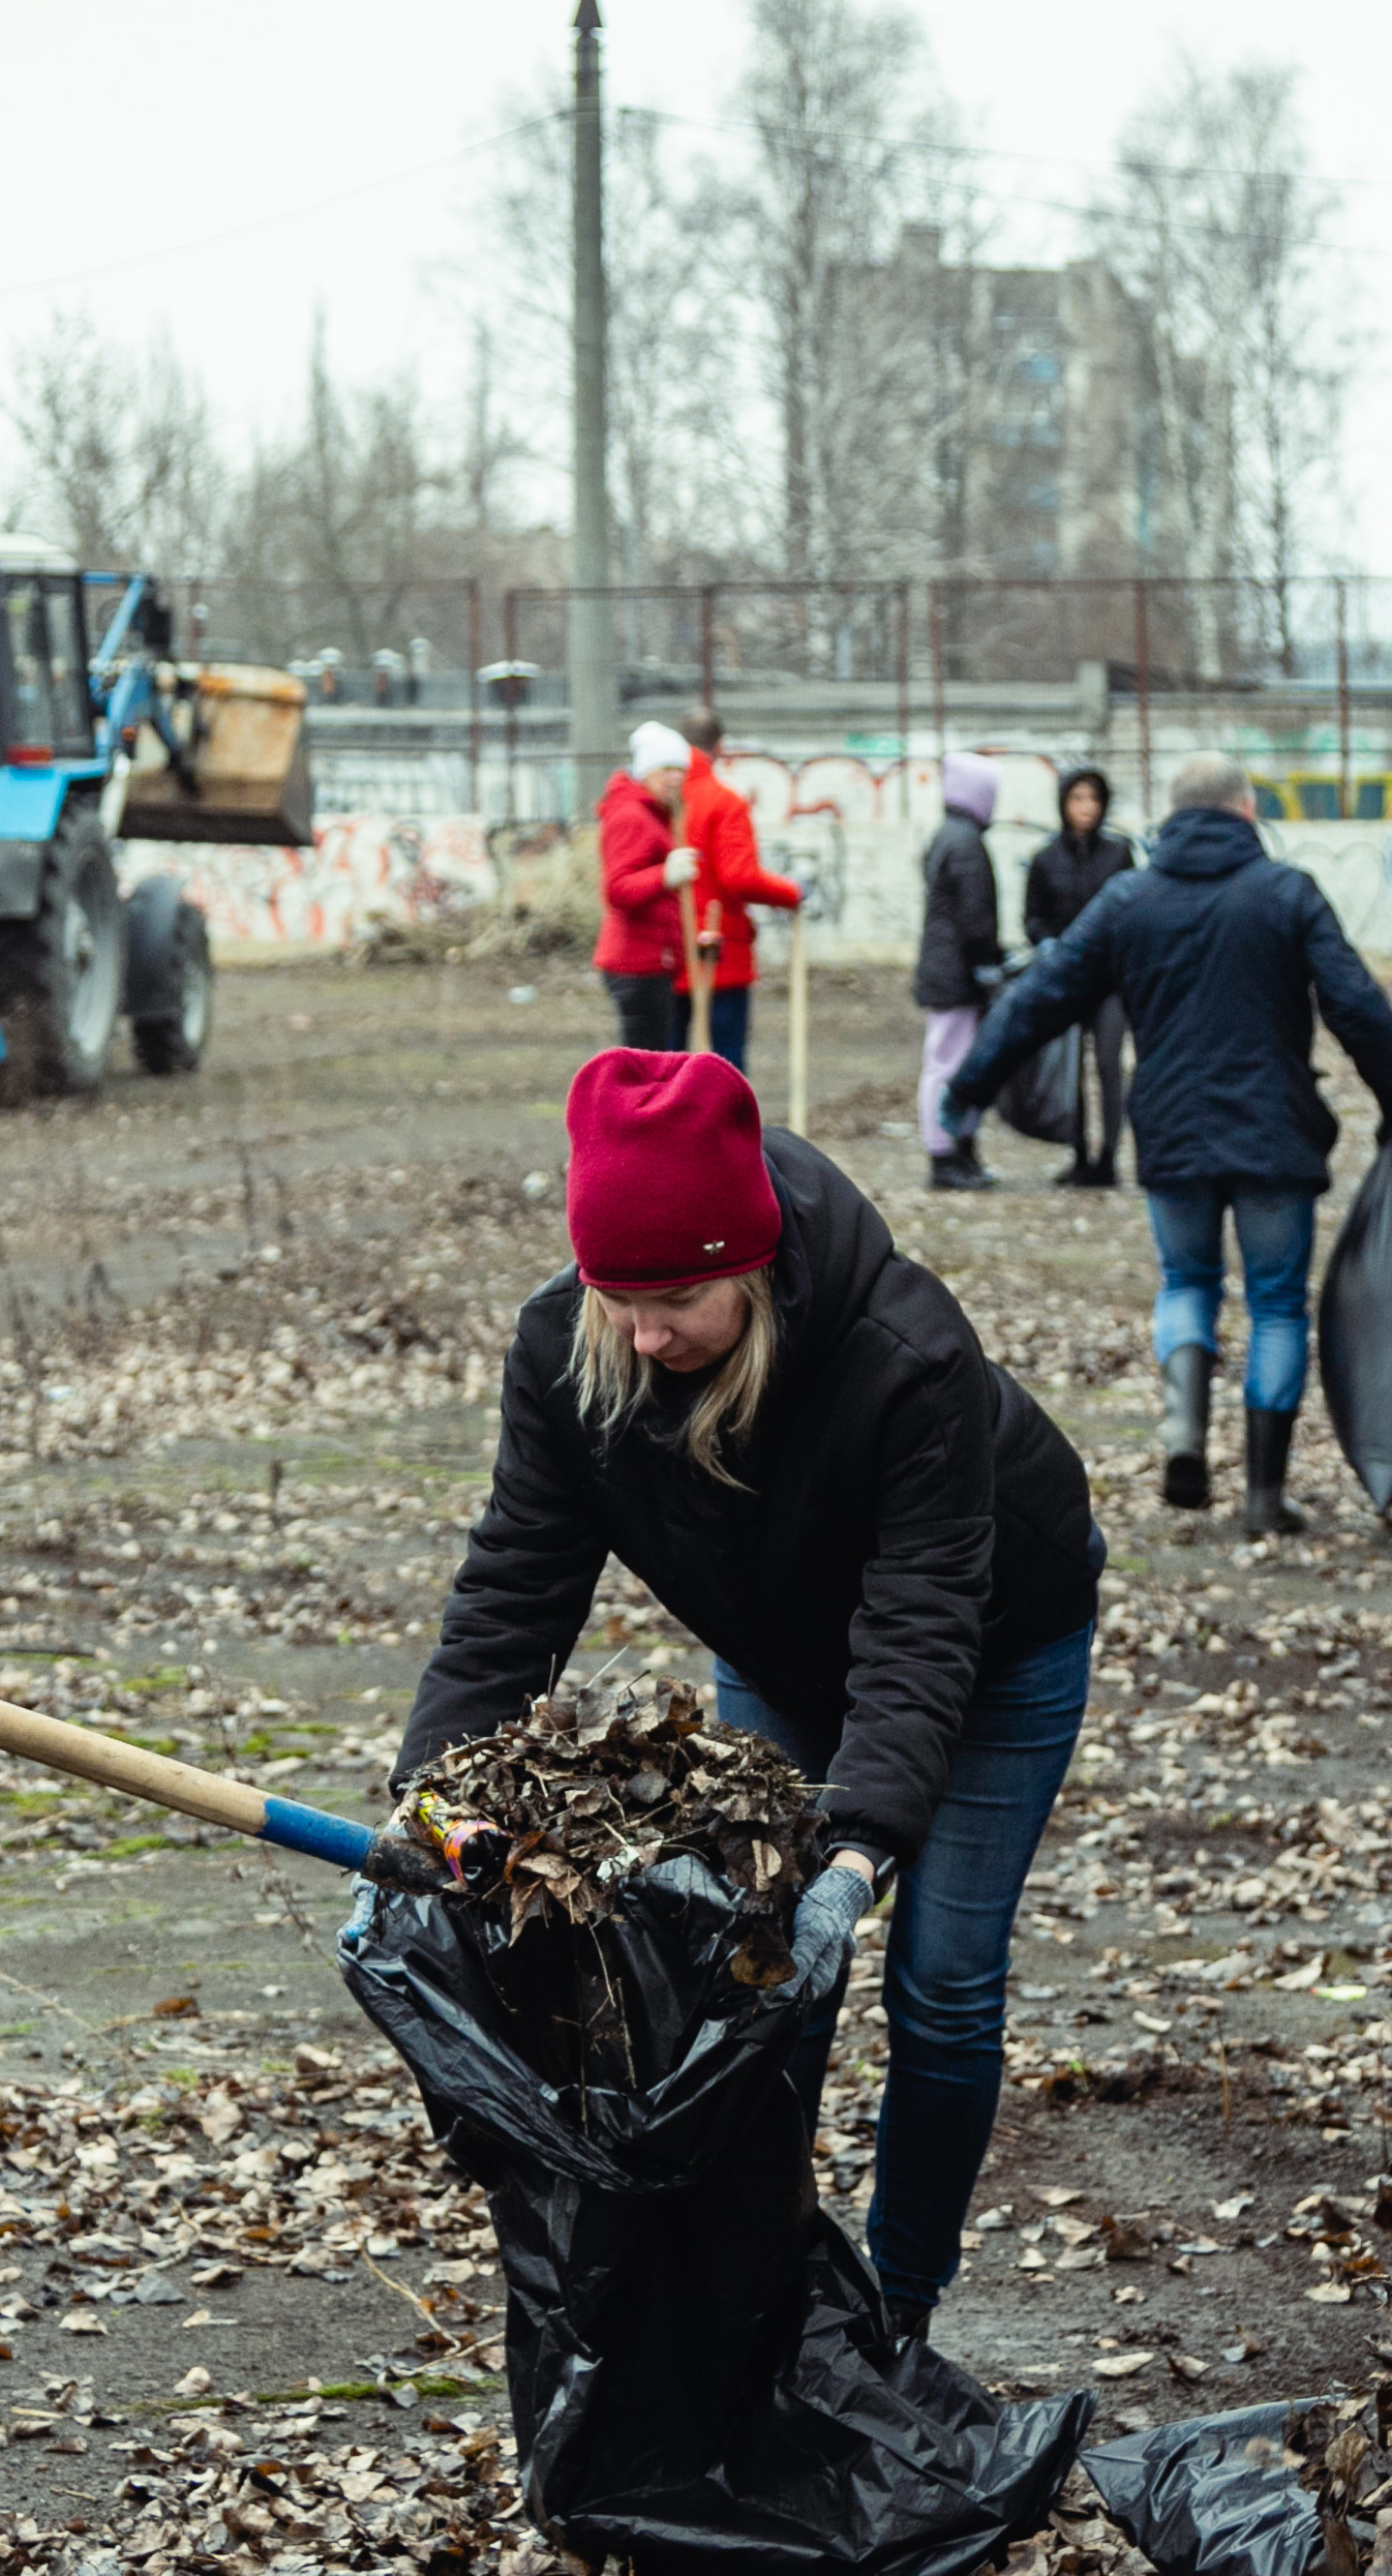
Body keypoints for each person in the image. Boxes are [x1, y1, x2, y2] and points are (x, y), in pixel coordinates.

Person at [396, 1049, 1097, 2339]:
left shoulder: (905, 1352)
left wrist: (857, 1854)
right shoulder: (569, 1349)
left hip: (995, 1649)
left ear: (752, 1273)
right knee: (757, 1973)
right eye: (621, 1298)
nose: (645, 1334)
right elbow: (515, 1590)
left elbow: (922, 1621)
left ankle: (898, 2308)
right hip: (781, 1655)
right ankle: (763, 2296)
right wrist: (425, 1795)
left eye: (675, 1301)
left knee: (937, 1979)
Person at [940, 748, 1392, 1538]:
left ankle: (1182, 1438)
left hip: (1170, 1129)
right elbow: (1356, 1005)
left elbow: (1043, 996)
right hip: (1275, 1135)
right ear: (1245, 809)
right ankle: (1264, 1498)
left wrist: (969, 1087)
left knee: (1187, 1282)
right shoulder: (1286, 892)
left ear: (1171, 814)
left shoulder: (1130, 898)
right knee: (1274, 1304)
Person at [673, 707, 802, 1079]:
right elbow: (739, 876)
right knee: (724, 1067)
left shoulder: (660, 799)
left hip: (668, 953)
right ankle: (726, 1136)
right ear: (720, 746)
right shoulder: (722, 801)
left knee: (668, 1063)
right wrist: (791, 892)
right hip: (719, 954)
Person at [1022, 766, 1135, 1187]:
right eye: (1077, 799)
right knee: (1069, 1070)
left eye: (1093, 799)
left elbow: (1133, 911)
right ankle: (1078, 1153)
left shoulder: (1119, 854)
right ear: (1063, 804)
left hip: (1109, 982)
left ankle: (1109, 1156)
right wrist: (1048, 943)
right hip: (1067, 981)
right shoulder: (1045, 858)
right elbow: (1032, 917)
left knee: (1108, 1065)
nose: (1086, 808)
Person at [914, 748, 1004, 1191]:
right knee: (948, 1063)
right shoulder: (966, 841)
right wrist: (989, 964)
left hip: (946, 970)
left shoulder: (947, 835)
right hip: (958, 975)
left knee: (950, 1061)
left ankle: (955, 1150)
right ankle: (946, 1153)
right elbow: (976, 916)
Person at [591, 720, 696, 1056]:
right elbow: (617, 889)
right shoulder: (632, 816)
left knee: (651, 1057)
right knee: (645, 1063)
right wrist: (665, 875)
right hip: (635, 964)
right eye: (667, 769)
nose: (676, 778)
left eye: (680, 770)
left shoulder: (653, 814)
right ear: (646, 771)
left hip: (650, 961)